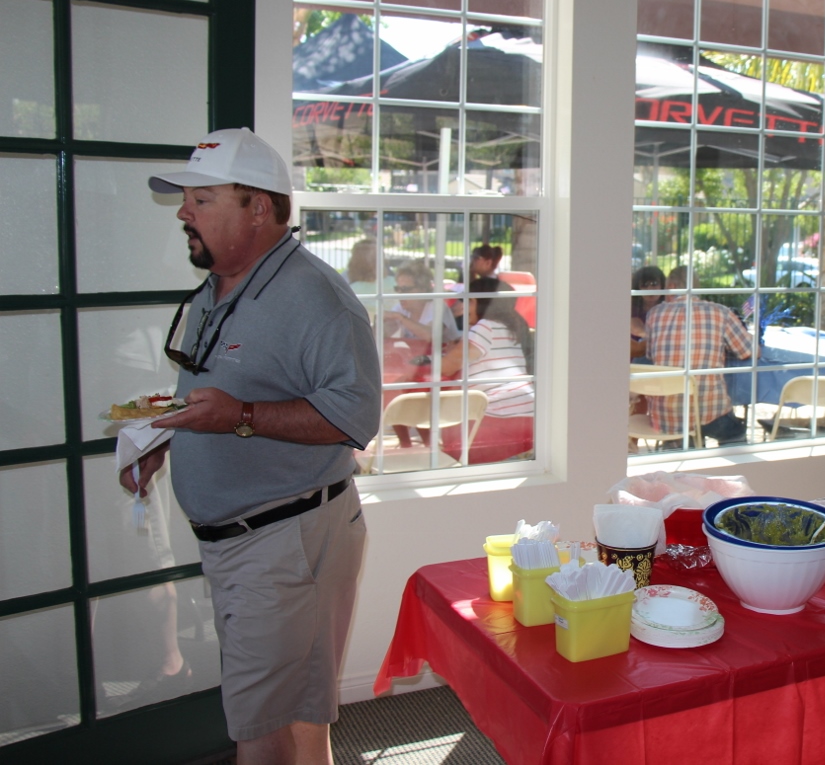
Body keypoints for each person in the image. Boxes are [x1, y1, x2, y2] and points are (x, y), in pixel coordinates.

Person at [119, 127, 381, 765]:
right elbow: (222, 389)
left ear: (258, 208)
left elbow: (356, 417)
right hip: (262, 541)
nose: (184, 212)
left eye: (201, 200)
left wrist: (239, 416)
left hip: (283, 540)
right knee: (298, 714)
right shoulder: (221, 285)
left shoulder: (317, 298)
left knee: (258, 729)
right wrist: (164, 437)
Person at [645, 266, 754, 446]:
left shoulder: (654, 315)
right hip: (711, 412)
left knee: (681, 435)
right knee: (736, 434)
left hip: (667, 415)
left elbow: (651, 354)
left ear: (671, 285)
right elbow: (748, 351)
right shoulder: (720, 312)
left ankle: (682, 454)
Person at [434, 277, 535, 463]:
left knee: (450, 439)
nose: (463, 307)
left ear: (478, 302)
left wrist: (425, 361)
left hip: (497, 420)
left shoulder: (484, 327)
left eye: (467, 301)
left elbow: (447, 367)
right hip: (528, 417)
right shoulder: (511, 327)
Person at [384, 260, 463, 345]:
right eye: (397, 289)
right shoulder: (401, 308)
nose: (400, 294)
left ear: (423, 289)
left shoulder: (438, 307)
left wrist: (401, 318)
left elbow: (430, 336)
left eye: (405, 289)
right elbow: (382, 335)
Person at [629, 265, 665, 361]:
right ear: (638, 288)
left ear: (663, 286)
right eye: (644, 285)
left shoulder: (668, 310)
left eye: (654, 284)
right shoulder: (631, 310)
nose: (650, 289)